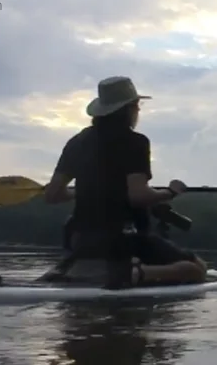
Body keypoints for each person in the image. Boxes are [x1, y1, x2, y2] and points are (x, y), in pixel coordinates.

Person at [42, 76, 207, 289]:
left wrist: (85, 192)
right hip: (123, 238)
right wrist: (171, 191)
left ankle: (120, 271)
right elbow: (138, 197)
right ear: (130, 109)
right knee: (197, 269)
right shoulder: (135, 142)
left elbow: (52, 195)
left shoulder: (77, 142)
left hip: (81, 239)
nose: (138, 111)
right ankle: (138, 273)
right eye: (137, 106)